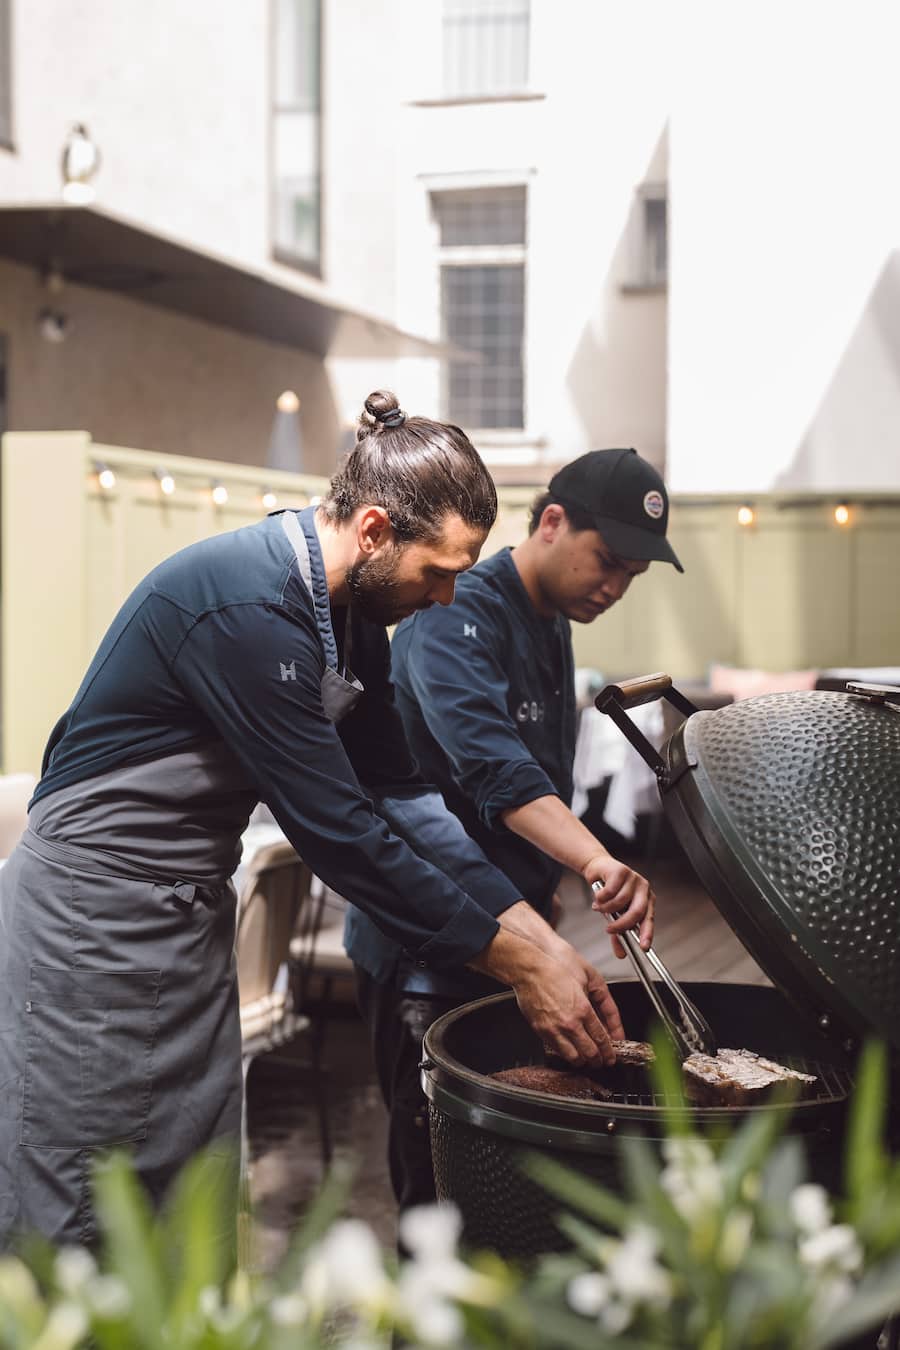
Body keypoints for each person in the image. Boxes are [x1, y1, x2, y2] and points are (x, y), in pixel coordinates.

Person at [0, 392, 624, 1252]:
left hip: (185, 920)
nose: (446, 599)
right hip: (88, 921)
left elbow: (401, 798)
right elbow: (340, 834)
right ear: (374, 532)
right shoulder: (247, 610)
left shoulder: (351, 611)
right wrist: (516, 961)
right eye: (437, 571)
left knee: (189, 1192)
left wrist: (534, 933)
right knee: (80, 1199)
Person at [348, 446, 683, 1211]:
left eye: (632, 577)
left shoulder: (551, 615)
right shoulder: (457, 608)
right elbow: (496, 772)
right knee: (440, 1192)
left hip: (515, 926)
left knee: (504, 1191)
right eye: (607, 562)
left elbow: (540, 768)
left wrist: (547, 892)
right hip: (426, 942)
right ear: (552, 522)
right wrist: (599, 860)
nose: (614, 587)